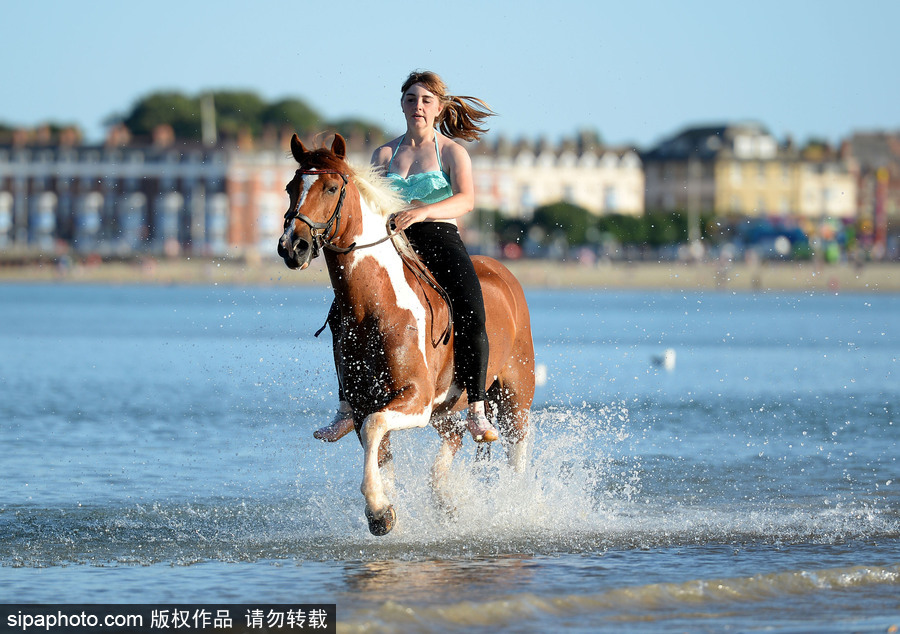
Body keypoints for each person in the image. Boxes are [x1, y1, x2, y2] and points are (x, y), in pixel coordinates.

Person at [314, 70, 499, 444]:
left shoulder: (451, 151)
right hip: (393, 241)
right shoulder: (384, 153)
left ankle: (476, 408)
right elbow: (369, 202)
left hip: (440, 237)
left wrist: (423, 211)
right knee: (340, 313)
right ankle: (347, 407)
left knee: (470, 306)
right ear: (402, 105)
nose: (418, 106)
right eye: (411, 99)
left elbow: (466, 200)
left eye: (426, 100)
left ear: (439, 108)